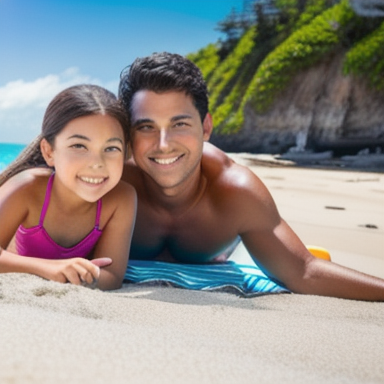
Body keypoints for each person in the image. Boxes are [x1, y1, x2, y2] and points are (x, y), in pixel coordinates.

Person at [118, 52, 384, 301]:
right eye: (146, 127)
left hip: (235, 249)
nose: (164, 144)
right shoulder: (113, 180)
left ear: (206, 127)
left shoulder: (235, 191)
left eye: (179, 124)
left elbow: (304, 272)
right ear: (129, 134)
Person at [0, 85, 137, 290]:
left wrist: (82, 276)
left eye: (111, 148)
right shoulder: (27, 187)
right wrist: (50, 269)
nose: (96, 163)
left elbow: (112, 275)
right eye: (79, 146)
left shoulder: (121, 198)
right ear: (49, 152)